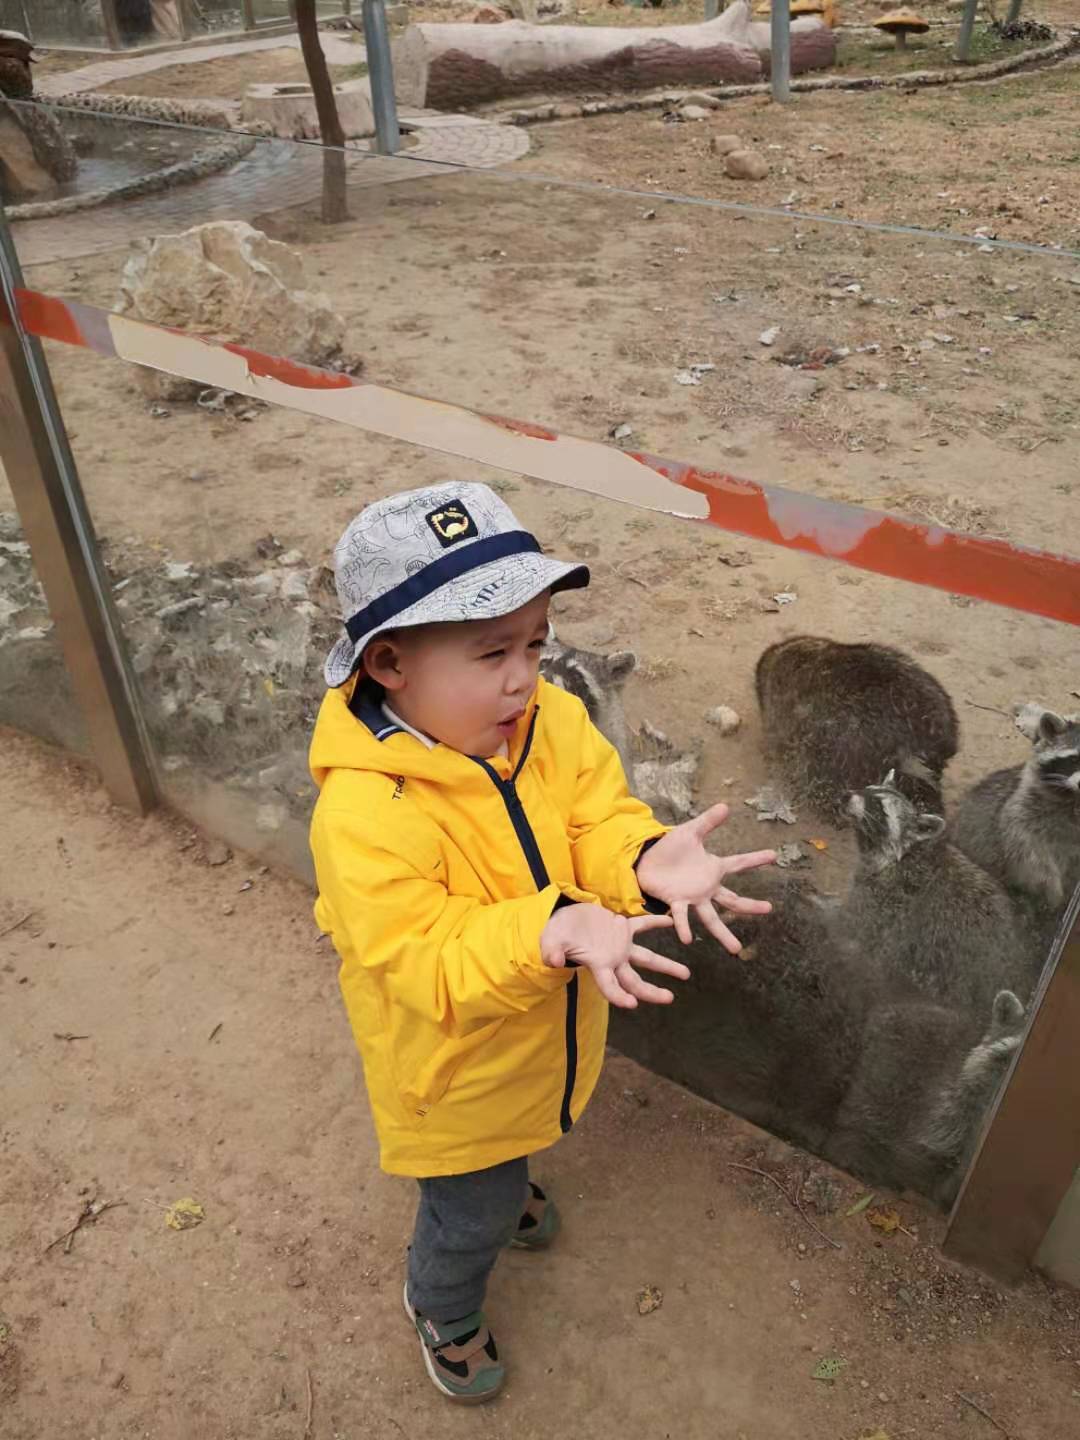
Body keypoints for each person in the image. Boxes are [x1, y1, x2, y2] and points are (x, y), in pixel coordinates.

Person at [309, 482, 775, 1403]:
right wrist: (552, 927)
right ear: (389, 662)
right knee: (469, 1209)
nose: (524, 675)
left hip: (538, 1042)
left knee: (518, 1140)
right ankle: (443, 1304)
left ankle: (505, 1176)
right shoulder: (364, 813)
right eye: (492, 652)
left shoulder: (547, 720)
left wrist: (642, 858)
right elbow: (426, 960)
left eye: (535, 642)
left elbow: (594, 817)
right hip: (454, 1075)